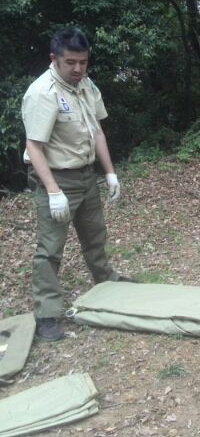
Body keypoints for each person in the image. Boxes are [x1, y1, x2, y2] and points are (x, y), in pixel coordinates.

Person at [22, 27, 130, 342]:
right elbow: (34, 147)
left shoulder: (86, 85)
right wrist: (53, 191)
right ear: (54, 59)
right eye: (71, 62)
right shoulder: (42, 93)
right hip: (56, 178)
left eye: (83, 62)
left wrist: (109, 172)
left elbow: (96, 131)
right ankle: (47, 314)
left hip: (85, 174)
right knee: (50, 249)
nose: (78, 68)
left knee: (95, 235)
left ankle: (106, 284)